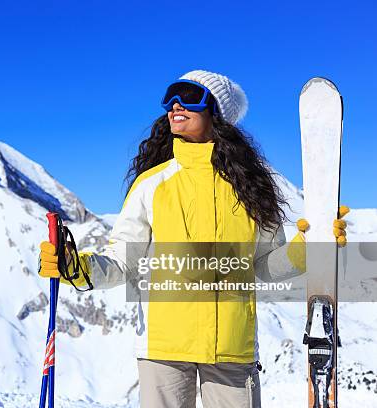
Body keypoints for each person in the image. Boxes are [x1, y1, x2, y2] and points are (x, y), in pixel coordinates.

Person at [38, 69, 348, 408]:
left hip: (232, 346)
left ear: (216, 112)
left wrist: (309, 249)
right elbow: (121, 263)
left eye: (188, 96)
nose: (174, 105)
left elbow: (265, 267)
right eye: (170, 97)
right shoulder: (152, 185)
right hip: (164, 348)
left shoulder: (252, 188)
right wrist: (73, 267)